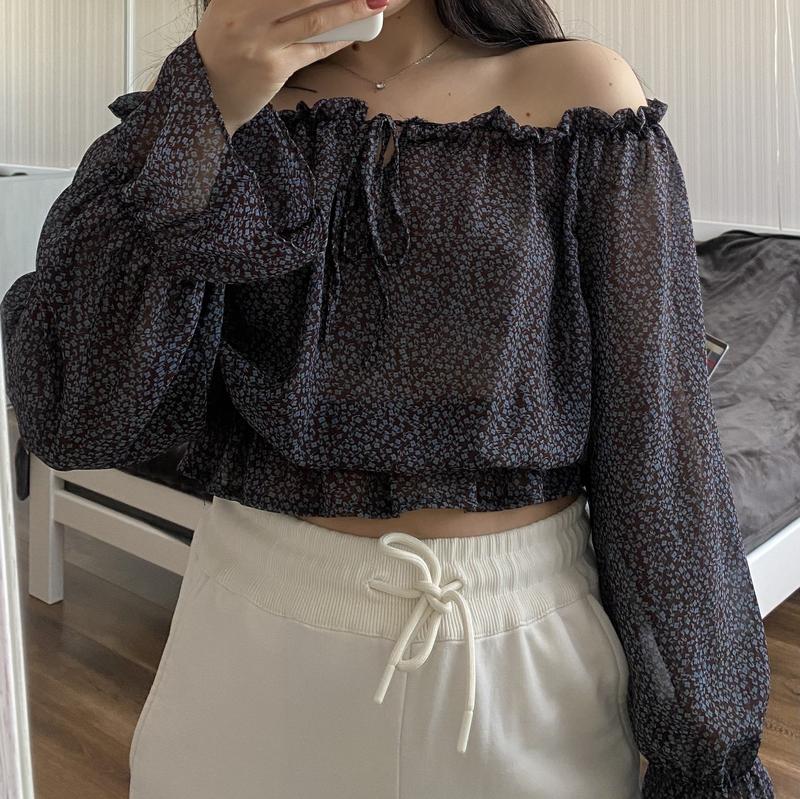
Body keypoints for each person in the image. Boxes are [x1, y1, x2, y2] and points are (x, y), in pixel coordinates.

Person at [0, 0, 774, 797]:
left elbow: (660, 452)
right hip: (250, 638)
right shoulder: (206, 107)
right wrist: (205, 109)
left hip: (519, 656)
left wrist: (705, 750)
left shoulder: (579, 97)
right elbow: (76, 416)